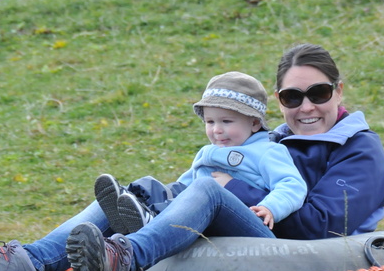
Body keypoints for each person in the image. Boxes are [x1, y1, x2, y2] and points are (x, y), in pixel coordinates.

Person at [0, 43, 384, 271]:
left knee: (208, 187)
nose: (306, 106)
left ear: (338, 91)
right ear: (278, 102)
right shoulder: (269, 141)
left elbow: (322, 227)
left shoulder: (359, 149)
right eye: (294, 97)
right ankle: (25, 265)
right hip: (244, 233)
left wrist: (232, 191)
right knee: (132, 193)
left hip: (302, 254)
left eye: (319, 93)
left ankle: (122, 255)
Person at [95, 71, 307, 235]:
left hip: (233, 216)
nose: (217, 130)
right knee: (151, 186)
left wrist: (270, 207)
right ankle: (129, 206)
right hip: (197, 209)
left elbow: (292, 184)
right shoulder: (208, 152)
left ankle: (151, 217)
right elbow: (185, 185)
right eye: (210, 122)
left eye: (226, 121)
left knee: (196, 192)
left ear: (254, 123)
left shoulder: (267, 151)